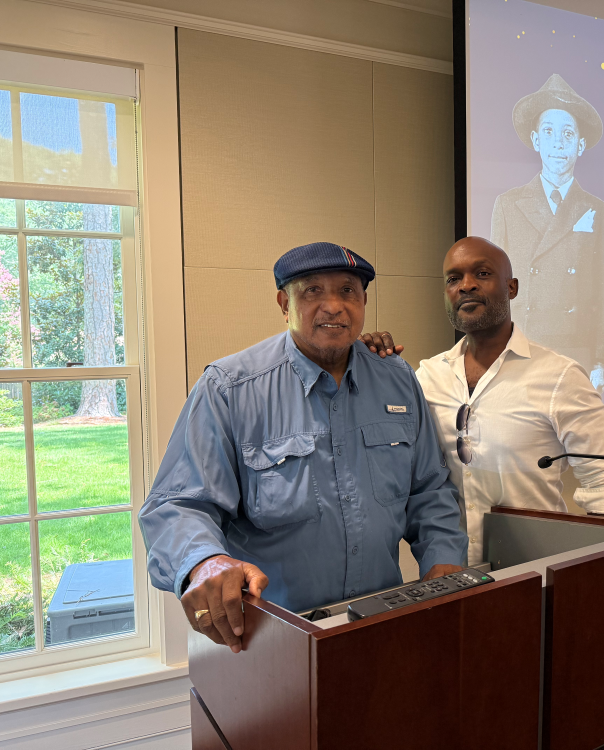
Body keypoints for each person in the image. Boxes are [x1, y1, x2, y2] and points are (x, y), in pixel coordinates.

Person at [139, 242, 466, 653]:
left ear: (363, 301)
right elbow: (176, 505)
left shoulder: (397, 379)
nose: (333, 306)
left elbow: (430, 490)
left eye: (348, 291)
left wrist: (444, 562)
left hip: (380, 624)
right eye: (312, 291)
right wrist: (206, 561)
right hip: (271, 639)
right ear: (283, 302)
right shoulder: (231, 388)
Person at [364, 236, 604, 565]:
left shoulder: (561, 377)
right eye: (453, 279)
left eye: (483, 274)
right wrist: (366, 361)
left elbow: (602, 483)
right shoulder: (428, 377)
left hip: (534, 574)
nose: (466, 286)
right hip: (449, 573)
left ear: (512, 287)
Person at [490, 73, 604, 391]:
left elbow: (603, 292)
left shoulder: (599, 212)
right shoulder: (508, 205)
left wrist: (599, 361)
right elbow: (494, 290)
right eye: (548, 131)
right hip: (521, 352)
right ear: (536, 140)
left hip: (576, 354)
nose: (558, 142)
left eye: (568, 133)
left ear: (580, 145)